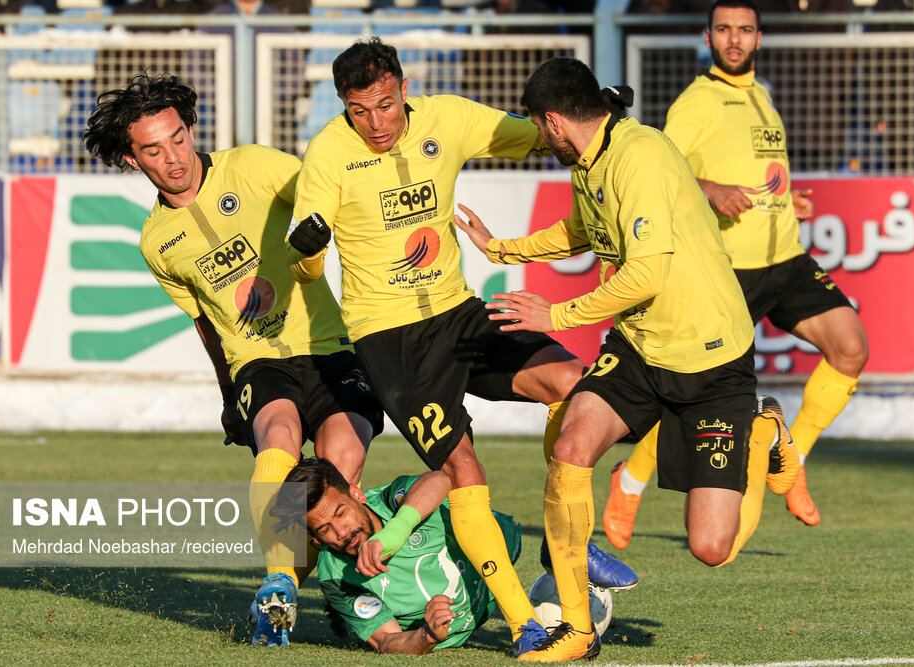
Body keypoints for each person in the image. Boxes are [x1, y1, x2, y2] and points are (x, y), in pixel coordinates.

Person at [288, 37, 638, 656]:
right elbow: (308, 269)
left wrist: (594, 110)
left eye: (386, 105)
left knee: (574, 383)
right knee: (461, 470)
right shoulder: (327, 155)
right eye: (358, 110)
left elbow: (535, 133)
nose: (375, 122)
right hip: (389, 340)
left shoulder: (446, 117)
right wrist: (308, 250)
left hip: (459, 312)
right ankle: (531, 625)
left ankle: (569, 540)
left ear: (403, 86)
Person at [454, 57, 799, 661]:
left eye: (537, 127)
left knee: (711, 547)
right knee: (571, 446)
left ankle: (761, 426)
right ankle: (578, 631)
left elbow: (642, 274)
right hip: (640, 349)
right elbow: (583, 231)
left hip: (711, 361)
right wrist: (503, 247)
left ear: (554, 121)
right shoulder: (588, 158)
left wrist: (555, 316)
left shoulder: (639, 156)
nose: (538, 138)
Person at [82, 73, 383, 647]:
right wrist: (229, 396)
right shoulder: (156, 242)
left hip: (330, 346)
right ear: (131, 158)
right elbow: (203, 321)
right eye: (153, 149)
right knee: (278, 437)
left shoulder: (253, 165)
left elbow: (327, 197)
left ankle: (324, 597)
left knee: (338, 473)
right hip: (256, 361)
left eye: (177, 138)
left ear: (191, 128)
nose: (172, 158)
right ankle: (278, 584)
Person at [602, 0, 868, 547]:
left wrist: (790, 203)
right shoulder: (698, 101)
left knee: (851, 347)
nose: (734, 38)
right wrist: (710, 190)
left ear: (758, 39)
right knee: (694, 391)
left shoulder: (762, 95)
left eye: (744, 30)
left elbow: (758, 174)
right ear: (708, 36)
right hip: (730, 271)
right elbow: (664, 171)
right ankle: (629, 480)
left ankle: (789, 461)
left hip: (786, 258)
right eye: (724, 29)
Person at [272, 457, 525, 654]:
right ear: (314, 537)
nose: (342, 532)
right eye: (325, 529)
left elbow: (440, 479)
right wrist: (427, 635)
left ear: (356, 494)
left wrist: (394, 533)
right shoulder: (336, 577)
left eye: (341, 513)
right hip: (481, 611)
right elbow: (386, 640)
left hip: (503, 542)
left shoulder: (390, 500)